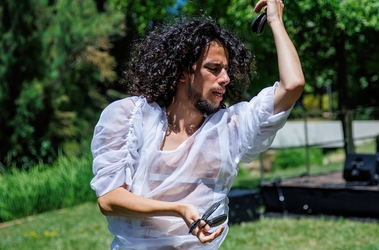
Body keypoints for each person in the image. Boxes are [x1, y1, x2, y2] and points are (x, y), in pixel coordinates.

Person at [90, 0, 304, 249]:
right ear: (182, 72)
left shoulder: (230, 128)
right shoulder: (129, 117)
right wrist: (177, 209)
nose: (225, 78)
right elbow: (109, 199)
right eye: (213, 68)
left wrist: (276, 22)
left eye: (226, 70)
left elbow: (293, 85)